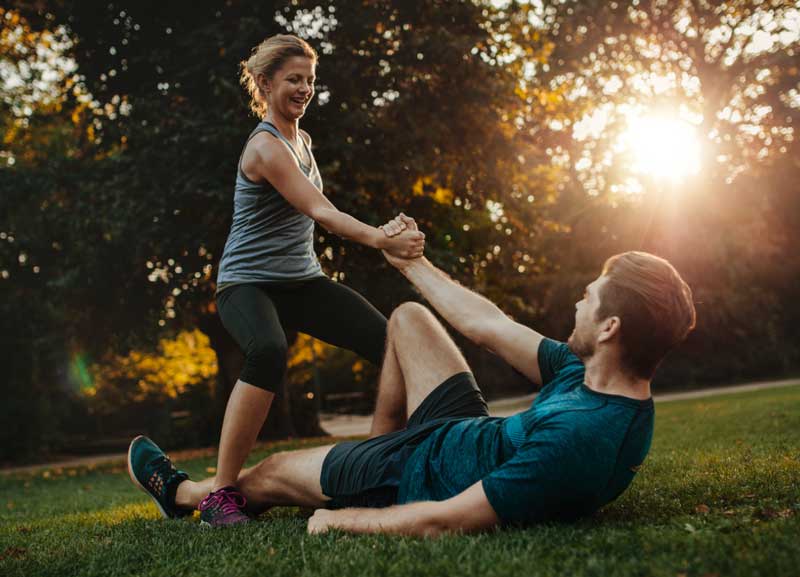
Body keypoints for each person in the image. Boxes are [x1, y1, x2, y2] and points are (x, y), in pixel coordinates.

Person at [128, 235, 696, 534]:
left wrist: (342, 521)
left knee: (269, 474)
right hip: (461, 433)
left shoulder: (580, 437)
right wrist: (410, 262)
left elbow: (446, 520)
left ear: (611, 327)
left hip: (421, 475)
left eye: (589, 298)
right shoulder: (590, 373)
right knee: (408, 318)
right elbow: (488, 324)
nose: (578, 301)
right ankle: (366, 459)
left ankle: (180, 496)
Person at [183, 34, 424, 527]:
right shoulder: (265, 148)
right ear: (266, 83)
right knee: (268, 351)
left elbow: (315, 218)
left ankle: (381, 465)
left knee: (389, 343)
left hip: (300, 280)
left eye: (310, 80)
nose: (304, 89)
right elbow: (321, 211)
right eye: (294, 79)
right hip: (246, 284)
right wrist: (382, 239)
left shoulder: (303, 141)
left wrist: (383, 235)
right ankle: (219, 496)